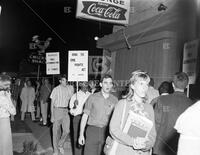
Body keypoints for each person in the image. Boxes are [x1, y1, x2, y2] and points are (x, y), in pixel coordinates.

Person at [108, 70, 156, 155]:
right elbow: (114, 129)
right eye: (141, 84)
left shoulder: (149, 108)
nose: (145, 88)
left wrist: (145, 145)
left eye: (146, 84)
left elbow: (152, 135)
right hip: (122, 151)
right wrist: (133, 142)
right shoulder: (122, 104)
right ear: (132, 86)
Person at [153, 72, 193, 155]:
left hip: (161, 147)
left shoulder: (162, 100)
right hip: (182, 148)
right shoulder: (192, 104)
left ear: (173, 85)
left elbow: (156, 124)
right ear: (186, 85)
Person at [78, 74, 118, 155]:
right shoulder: (92, 98)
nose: (108, 85)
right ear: (101, 84)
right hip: (93, 131)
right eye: (105, 82)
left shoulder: (115, 100)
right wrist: (81, 134)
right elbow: (85, 117)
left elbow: (117, 120)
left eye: (110, 83)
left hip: (107, 133)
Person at [50, 74, 74, 155]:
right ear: (60, 81)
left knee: (67, 130)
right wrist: (52, 115)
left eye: (66, 80)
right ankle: (55, 150)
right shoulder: (56, 89)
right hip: (57, 110)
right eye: (63, 80)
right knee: (55, 132)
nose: (65, 82)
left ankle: (60, 144)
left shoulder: (69, 89)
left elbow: (72, 99)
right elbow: (52, 103)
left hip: (66, 111)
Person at [69, 82, 91, 155]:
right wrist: (74, 106)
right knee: (77, 137)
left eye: (86, 84)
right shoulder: (75, 96)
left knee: (88, 138)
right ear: (80, 85)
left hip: (88, 119)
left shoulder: (91, 95)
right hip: (78, 118)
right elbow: (71, 111)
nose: (85, 85)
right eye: (83, 84)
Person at [0, 74, 16, 155]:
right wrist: (9, 98)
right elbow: (13, 111)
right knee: (5, 143)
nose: (10, 86)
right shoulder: (3, 97)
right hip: (4, 121)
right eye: (8, 84)